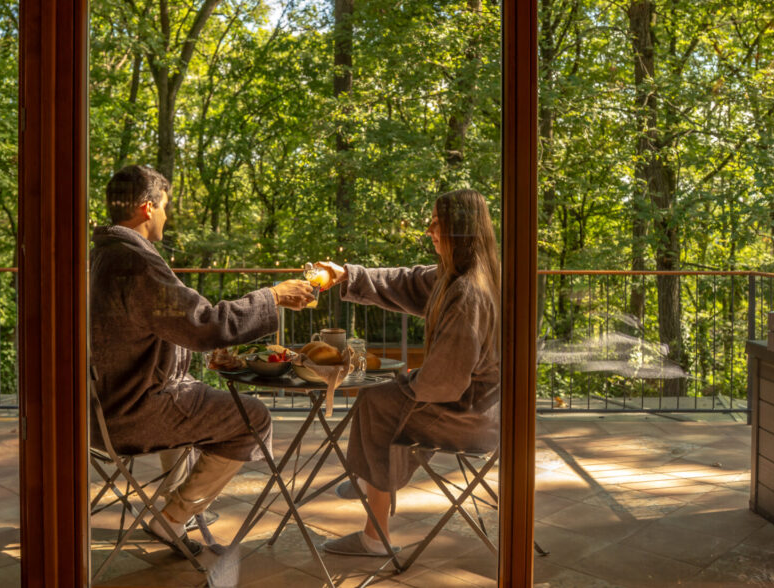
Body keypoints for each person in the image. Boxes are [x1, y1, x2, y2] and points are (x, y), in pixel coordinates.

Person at [89, 164, 314, 556]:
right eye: (165, 206)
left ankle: (177, 505)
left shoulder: (99, 257)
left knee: (196, 396)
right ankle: (172, 519)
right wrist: (273, 296)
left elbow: (167, 327)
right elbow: (204, 325)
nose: (166, 215)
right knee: (253, 417)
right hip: (133, 412)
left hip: (95, 413)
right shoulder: (135, 263)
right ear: (147, 207)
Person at [315, 189, 501, 556]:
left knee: (377, 401)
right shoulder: (457, 277)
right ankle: (368, 479)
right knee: (381, 396)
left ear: (458, 228)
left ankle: (374, 535)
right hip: (471, 406)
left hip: (467, 417)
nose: (429, 228)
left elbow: (443, 382)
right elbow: (406, 281)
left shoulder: (467, 293)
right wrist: (346, 274)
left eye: (437, 222)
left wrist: (411, 380)